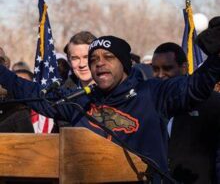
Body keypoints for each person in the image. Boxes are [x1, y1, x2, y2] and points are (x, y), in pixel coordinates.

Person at [0, 31, 220, 182]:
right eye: (94, 59)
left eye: (108, 57)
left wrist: (216, 57)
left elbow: (195, 87)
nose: (99, 62)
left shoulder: (153, 93)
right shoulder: (79, 101)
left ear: (124, 64)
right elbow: (30, 92)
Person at [151, 42, 220, 184]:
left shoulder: (214, 103)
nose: (160, 75)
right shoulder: (146, 102)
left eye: (167, 68)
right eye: (155, 69)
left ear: (184, 68)